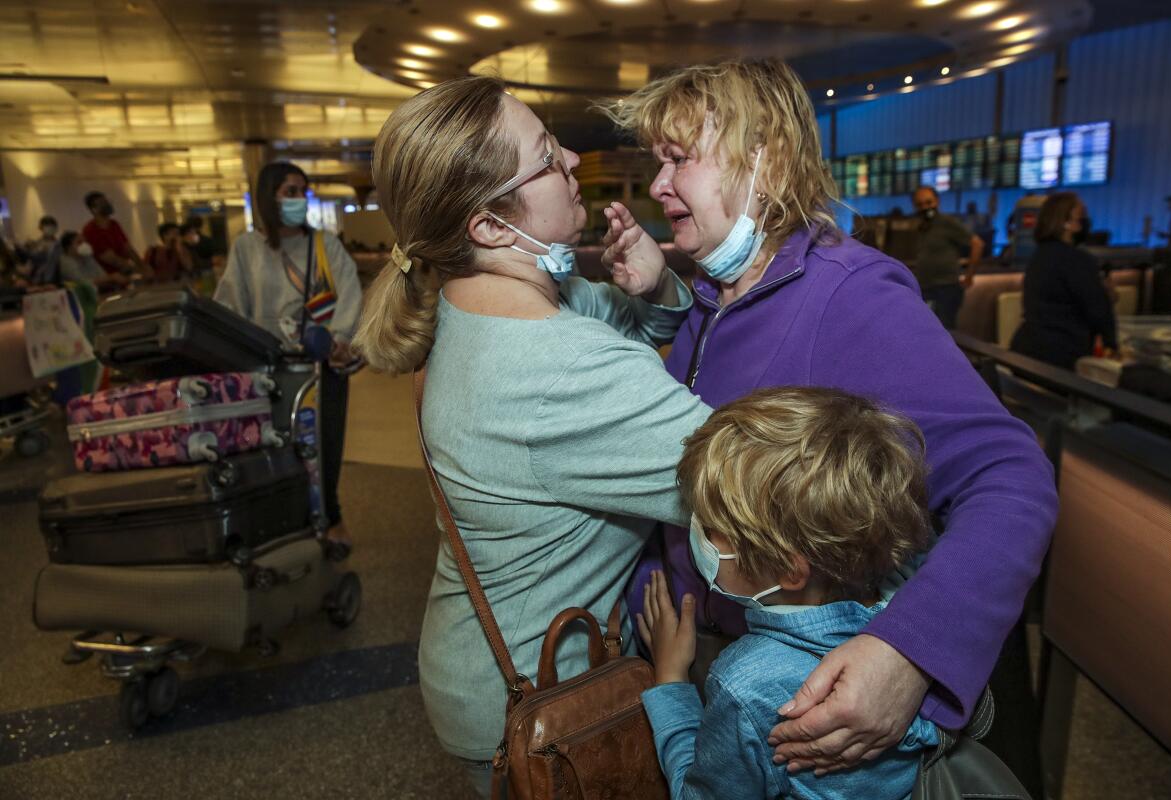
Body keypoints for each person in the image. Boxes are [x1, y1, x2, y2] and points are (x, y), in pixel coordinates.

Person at [604, 59, 1056, 785]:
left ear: (767, 160)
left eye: (678, 159)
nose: (659, 187)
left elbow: (1013, 478)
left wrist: (910, 653)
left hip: (798, 699)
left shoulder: (850, 295)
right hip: (719, 671)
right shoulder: (711, 297)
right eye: (658, 163)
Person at [352, 76, 712, 797]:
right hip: (534, 696)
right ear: (488, 226)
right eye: (548, 157)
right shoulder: (557, 364)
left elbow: (634, 319)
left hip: (479, 665)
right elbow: (745, 481)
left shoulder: (471, 303)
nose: (576, 159)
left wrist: (657, 285)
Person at [640, 387, 938, 799]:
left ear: (788, 570)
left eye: (711, 528)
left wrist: (671, 683)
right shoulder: (921, 603)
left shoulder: (747, 684)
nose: (697, 532)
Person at [214, 162, 363, 549]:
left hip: (320, 366)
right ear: (269, 196)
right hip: (268, 370)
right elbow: (231, 305)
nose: (299, 199)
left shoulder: (325, 245)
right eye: (289, 191)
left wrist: (339, 338)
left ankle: (331, 516)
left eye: (303, 191)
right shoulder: (247, 248)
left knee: (325, 446)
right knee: (272, 448)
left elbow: (350, 295)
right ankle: (281, 524)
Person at [1010, 193, 1117, 369]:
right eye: (1080, 216)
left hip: (1026, 350)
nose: (1084, 221)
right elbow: (1097, 310)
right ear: (1067, 223)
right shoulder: (1077, 259)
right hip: (1061, 356)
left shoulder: (1039, 256)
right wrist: (1111, 344)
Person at [910, 186, 984, 329]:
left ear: (937, 201)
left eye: (928, 202)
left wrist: (969, 276)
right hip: (925, 288)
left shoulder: (946, 222)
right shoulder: (922, 226)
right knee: (925, 331)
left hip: (946, 289)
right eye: (920, 204)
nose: (925, 207)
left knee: (945, 332)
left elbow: (977, 244)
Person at [81, 191, 144, 278]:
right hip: (108, 277)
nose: (107, 204)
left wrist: (142, 266)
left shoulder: (114, 224)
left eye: (106, 201)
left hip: (125, 274)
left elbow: (128, 248)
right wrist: (136, 269)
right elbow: (109, 258)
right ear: (94, 209)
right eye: (102, 203)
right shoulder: (90, 230)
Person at [59, 231, 129, 290]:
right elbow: (82, 283)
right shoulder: (66, 262)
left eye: (85, 242)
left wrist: (113, 279)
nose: (84, 245)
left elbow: (102, 275)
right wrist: (111, 278)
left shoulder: (87, 256)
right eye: (79, 242)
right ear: (68, 247)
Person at [23, 215, 62, 285]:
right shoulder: (35, 244)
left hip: (57, 279)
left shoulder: (60, 245)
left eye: (52, 226)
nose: (49, 228)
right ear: (41, 228)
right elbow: (30, 264)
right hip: (39, 280)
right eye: (46, 226)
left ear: (56, 228)